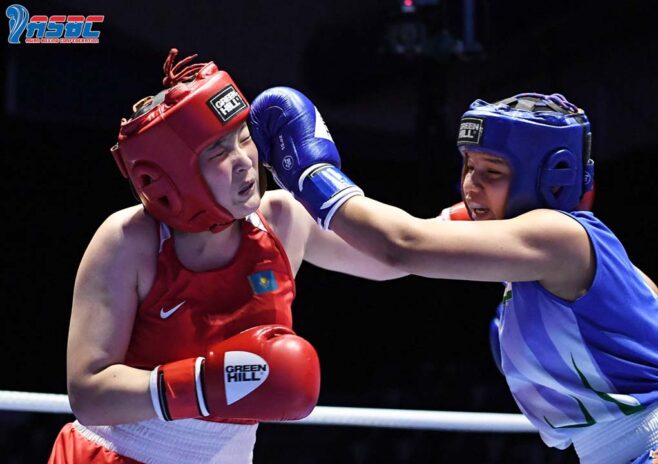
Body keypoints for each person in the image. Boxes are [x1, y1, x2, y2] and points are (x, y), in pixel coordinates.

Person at [250, 88, 658, 463]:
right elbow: (386, 258)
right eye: (468, 166)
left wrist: (310, 171)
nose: (471, 185)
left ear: (551, 176)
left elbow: (403, 244)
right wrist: (290, 207)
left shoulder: (560, 235)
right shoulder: (554, 243)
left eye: (493, 172)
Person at [47, 50, 405, 464]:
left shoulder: (283, 221)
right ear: (174, 173)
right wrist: (201, 384)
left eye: (245, 137)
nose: (244, 162)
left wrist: (473, 214)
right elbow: (89, 393)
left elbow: (390, 257)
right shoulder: (129, 241)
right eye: (218, 152)